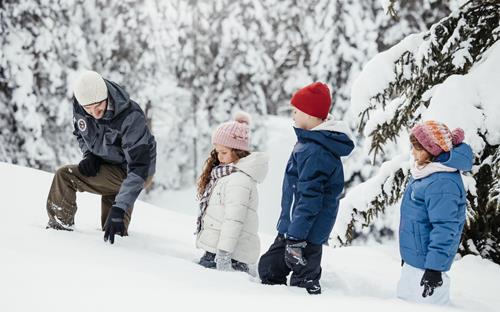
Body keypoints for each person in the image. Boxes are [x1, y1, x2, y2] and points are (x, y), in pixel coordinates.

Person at [258, 82, 354, 294]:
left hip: (305, 235)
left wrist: (297, 237)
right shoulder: (308, 143)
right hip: (291, 229)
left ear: (310, 116)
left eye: (296, 111)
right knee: (269, 268)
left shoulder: (316, 151)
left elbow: (310, 198)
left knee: (304, 282)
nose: (292, 115)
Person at [46, 70, 156, 244]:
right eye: (88, 109)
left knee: (114, 231)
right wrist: (90, 155)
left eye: (98, 107)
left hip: (135, 171)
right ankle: (60, 233)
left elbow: (138, 167)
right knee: (64, 175)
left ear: (107, 97)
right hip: (109, 163)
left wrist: (120, 207)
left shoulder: (130, 116)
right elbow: (80, 133)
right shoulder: (81, 105)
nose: (94, 113)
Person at [397, 120, 473, 304]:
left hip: (428, 271)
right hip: (416, 262)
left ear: (432, 151)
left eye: (417, 148)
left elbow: (446, 229)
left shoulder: (443, 183)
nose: (413, 153)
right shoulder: (428, 173)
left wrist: (434, 268)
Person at [195, 112, 268, 274]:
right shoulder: (226, 175)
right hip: (218, 249)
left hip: (230, 255)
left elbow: (234, 220)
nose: (219, 157)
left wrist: (223, 254)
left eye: (224, 152)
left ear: (238, 151)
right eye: (217, 152)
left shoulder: (238, 180)